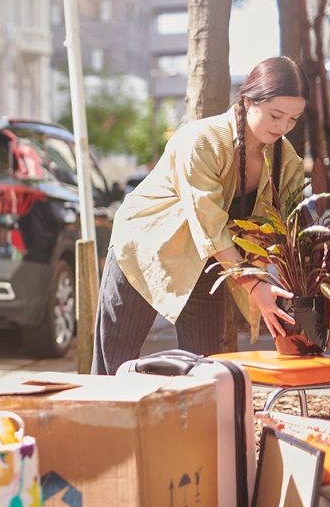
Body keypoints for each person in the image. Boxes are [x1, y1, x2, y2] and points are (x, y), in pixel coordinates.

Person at [92, 56, 310, 375]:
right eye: (276, 115)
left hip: (212, 263)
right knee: (114, 367)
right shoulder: (201, 140)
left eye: (293, 119)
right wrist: (252, 284)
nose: (283, 127)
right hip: (145, 248)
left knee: (205, 373)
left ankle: (196, 426)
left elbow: (284, 230)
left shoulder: (286, 160)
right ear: (248, 101)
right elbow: (208, 223)